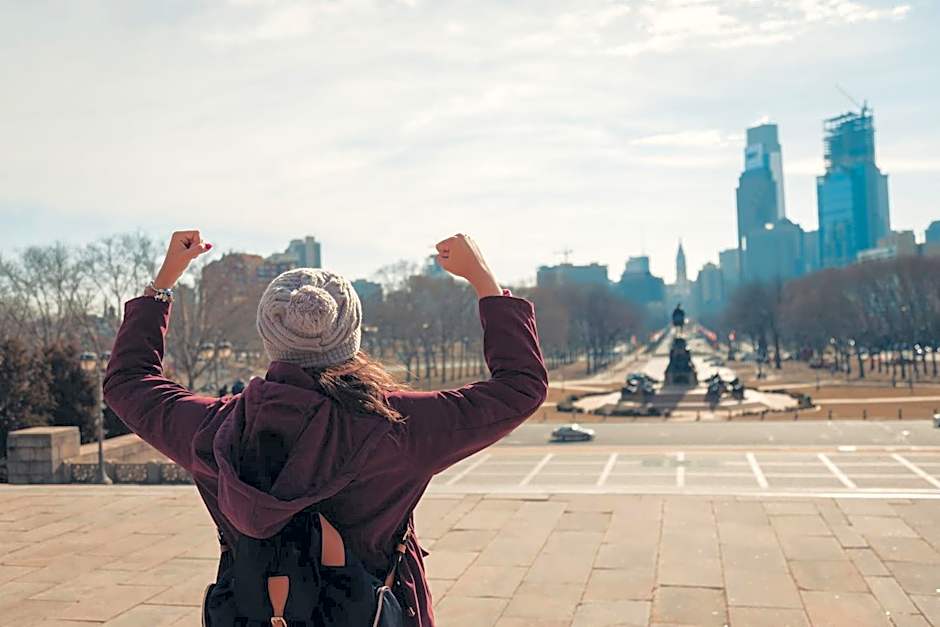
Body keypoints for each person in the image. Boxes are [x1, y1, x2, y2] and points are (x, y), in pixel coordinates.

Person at [103, 230, 547, 626]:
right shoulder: (397, 426)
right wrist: (484, 280)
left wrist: (162, 284)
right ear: (352, 333)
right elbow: (519, 387)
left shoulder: (215, 428)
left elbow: (128, 382)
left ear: (269, 337)